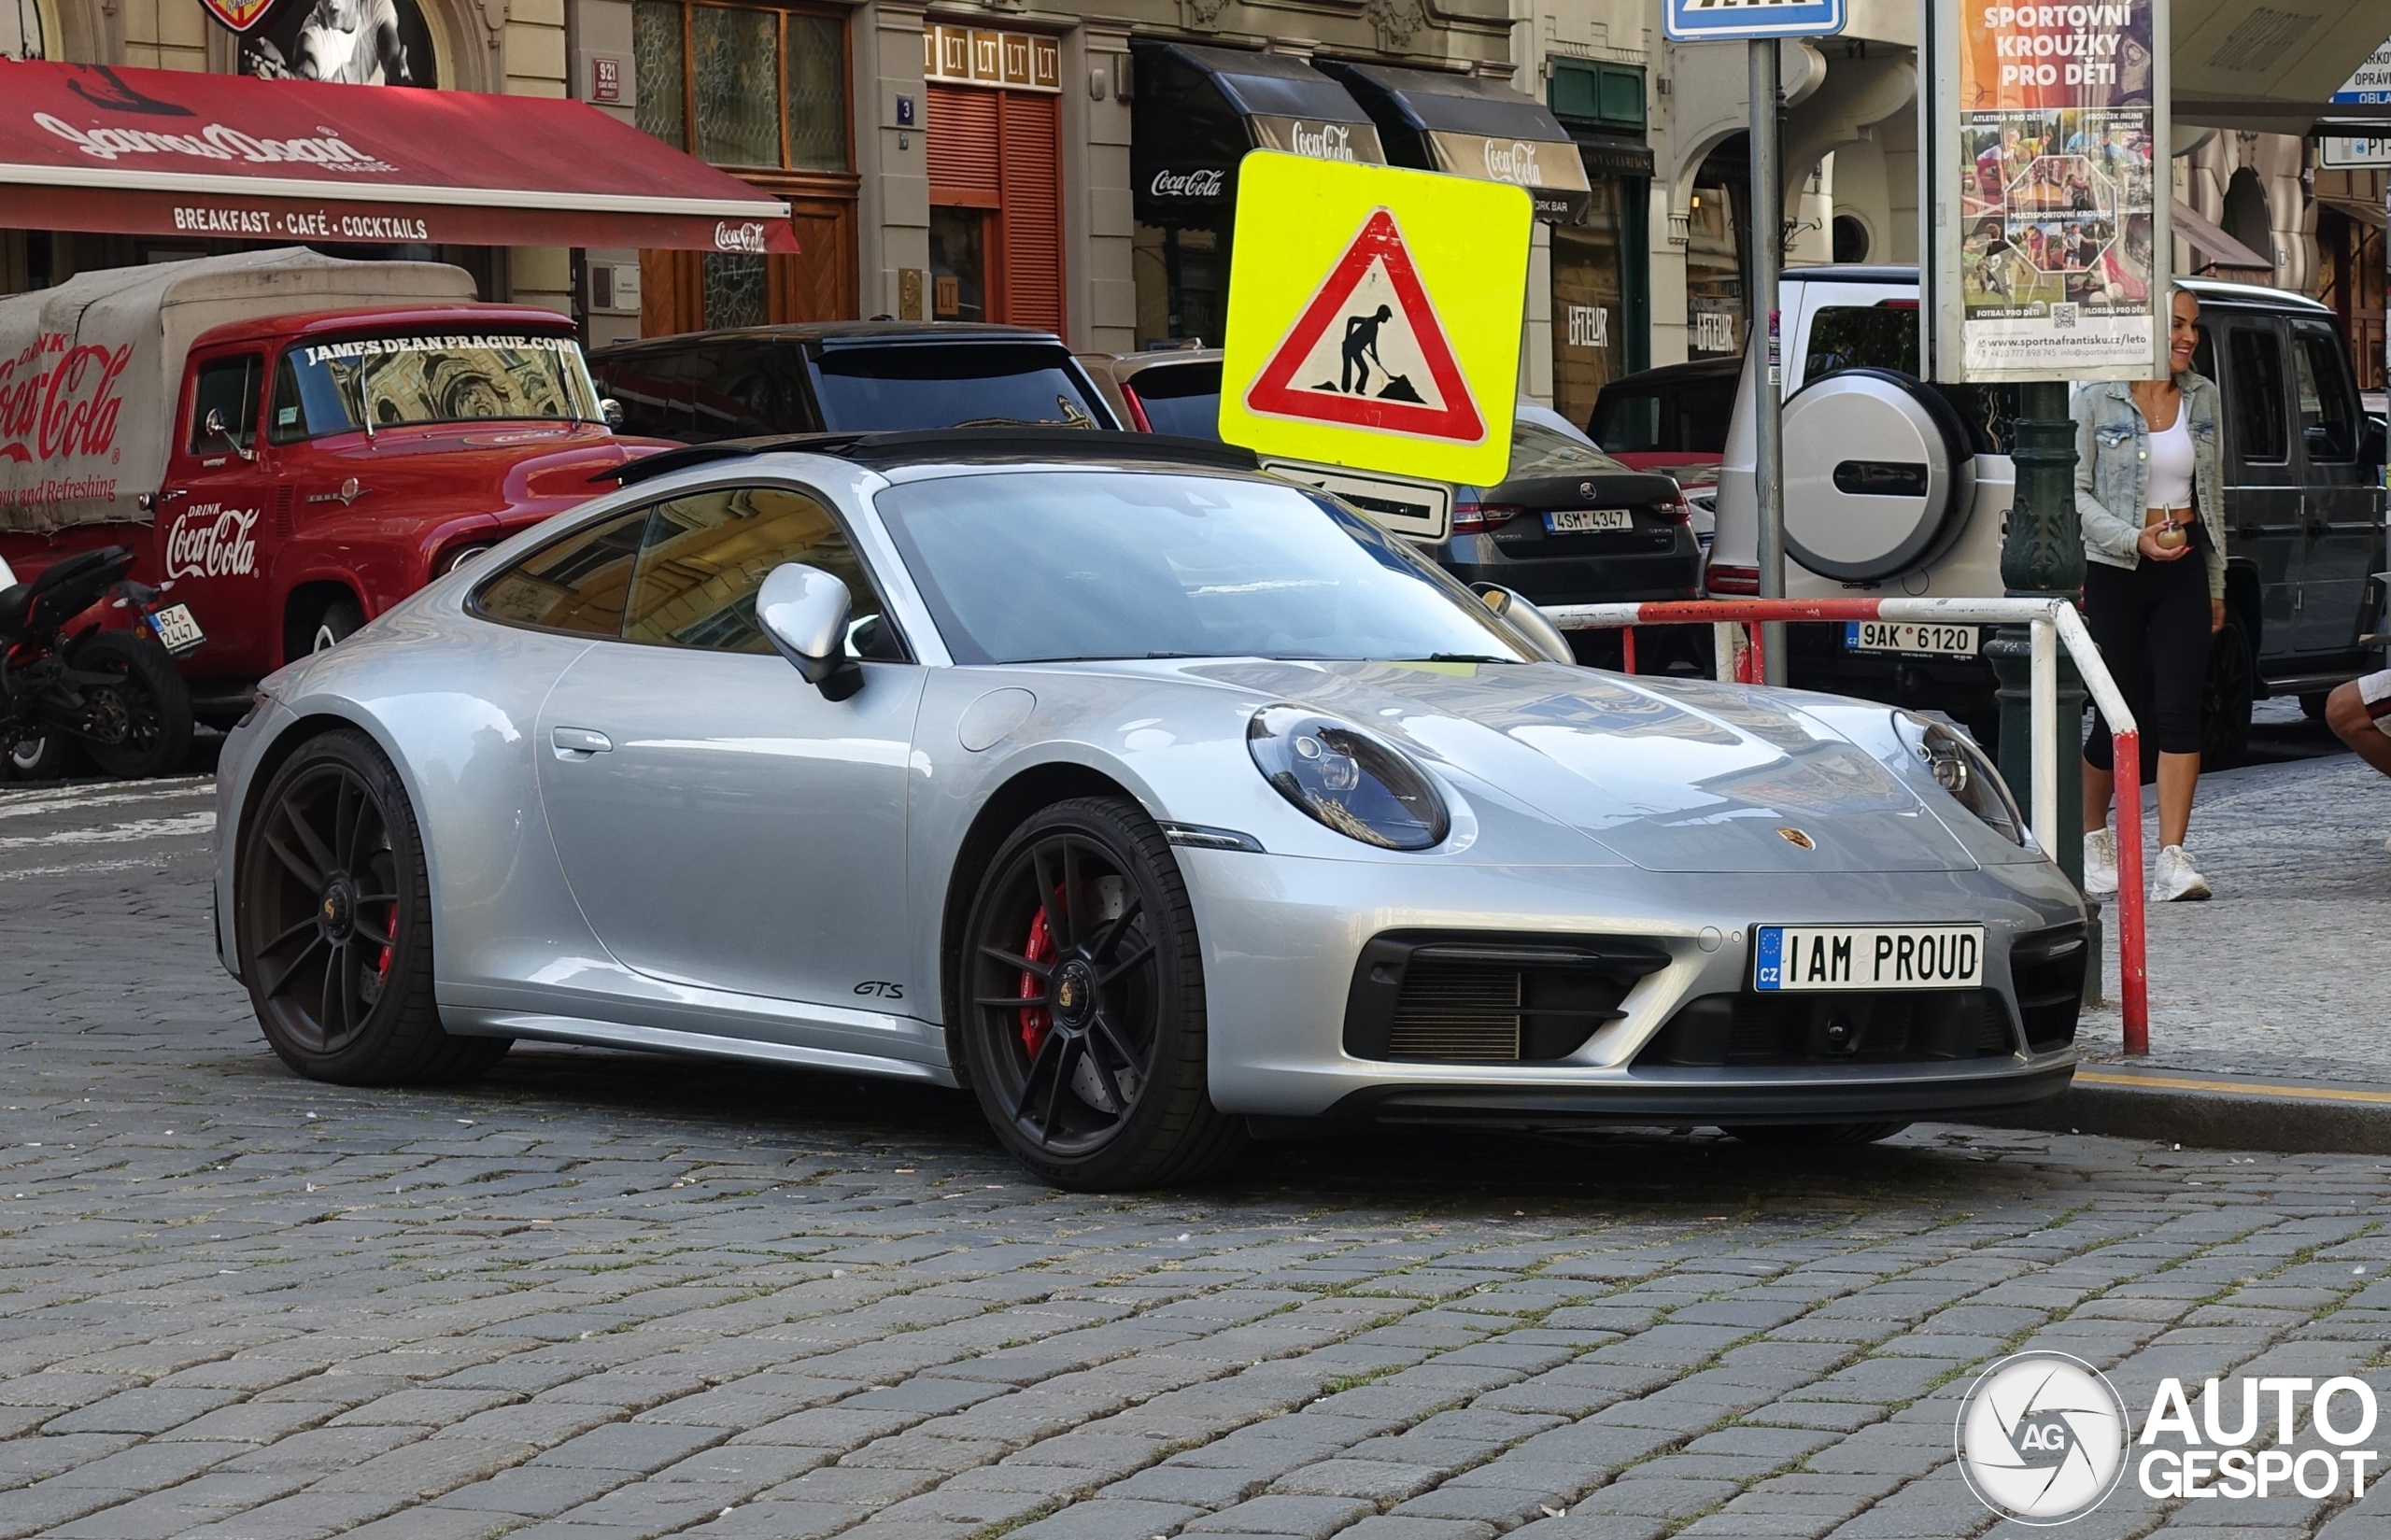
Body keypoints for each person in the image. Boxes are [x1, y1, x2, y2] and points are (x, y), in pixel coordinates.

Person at [2076, 286, 2225, 901]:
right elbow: (2075, 494)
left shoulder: (2205, 397)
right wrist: (2134, 539)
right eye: (2176, 327)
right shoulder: (2095, 397)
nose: (2188, 337)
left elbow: (2217, 498)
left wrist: (2216, 584)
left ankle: (2172, 857)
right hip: (2115, 568)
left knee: (2178, 709)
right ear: (2143, 330)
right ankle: (2090, 837)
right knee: (2121, 712)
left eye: (2193, 327)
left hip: (2185, 564)